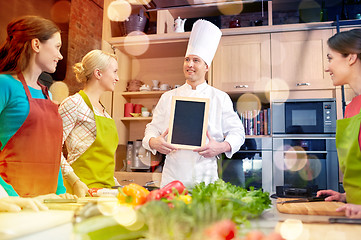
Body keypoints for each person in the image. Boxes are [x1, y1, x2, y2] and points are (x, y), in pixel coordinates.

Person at [142, 20, 245, 188]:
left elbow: (237, 133)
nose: (189, 65)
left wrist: (220, 147)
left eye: (196, 60)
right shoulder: (168, 97)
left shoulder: (220, 98)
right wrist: (153, 142)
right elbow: (152, 128)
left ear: (206, 66)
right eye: (187, 59)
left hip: (205, 178)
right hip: (172, 177)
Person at [0, 15, 75, 200]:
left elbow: (52, 153)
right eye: (57, 47)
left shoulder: (46, 94)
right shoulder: (4, 85)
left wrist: (61, 192)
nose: (60, 55)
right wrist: (10, 197)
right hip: (14, 205)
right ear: (36, 45)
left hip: (49, 203)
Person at [59, 50, 120, 197]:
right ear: (98, 73)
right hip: (81, 192)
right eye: (115, 72)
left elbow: (104, 162)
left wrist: (117, 186)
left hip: (104, 192)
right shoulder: (74, 104)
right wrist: (75, 182)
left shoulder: (104, 112)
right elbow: (52, 149)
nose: (117, 78)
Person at [316, 28, 361, 218]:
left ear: (351, 57)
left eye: (330, 58)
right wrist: (346, 196)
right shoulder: (351, 108)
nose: (327, 67)